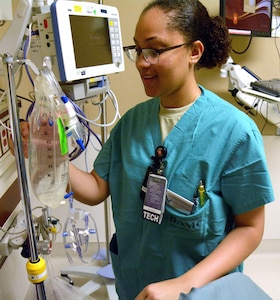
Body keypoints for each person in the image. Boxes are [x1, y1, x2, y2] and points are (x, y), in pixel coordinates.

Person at [17, 0, 274, 299]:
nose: (141, 62)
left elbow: (250, 229)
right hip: (134, 285)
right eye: (138, 50)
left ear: (194, 51)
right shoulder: (132, 122)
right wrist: (52, 155)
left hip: (199, 292)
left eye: (155, 50)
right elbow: (97, 188)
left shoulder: (235, 132)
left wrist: (182, 284)